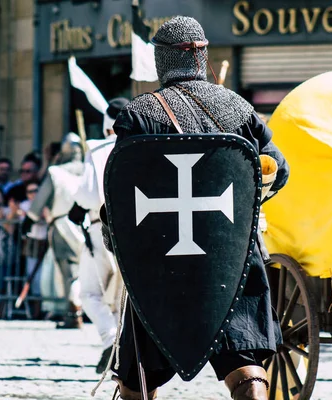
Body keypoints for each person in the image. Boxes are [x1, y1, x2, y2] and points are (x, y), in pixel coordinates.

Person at [106, 16, 289, 400]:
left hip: (161, 261)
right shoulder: (238, 109)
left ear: (162, 59)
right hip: (229, 258)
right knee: (245, 361)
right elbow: (278, 170)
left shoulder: (141, 114)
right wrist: (243, 207)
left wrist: (115, 234)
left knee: (138, 375)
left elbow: (121, 188)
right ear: (201, 54)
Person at [66, 98, 129, 373]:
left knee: (89, 292)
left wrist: (76, 207)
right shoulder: (140, 146)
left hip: (100, 227)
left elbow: (89, 194)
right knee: (118, 299)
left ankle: (109, 340)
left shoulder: (99, 148)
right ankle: (119, 346)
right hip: (133, 233)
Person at [26, 133, 85, 328]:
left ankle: (73, 313)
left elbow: (40, 200)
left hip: (64, 226)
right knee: (83, 271)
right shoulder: (90, 170)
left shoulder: (56, 173)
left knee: (70, 271)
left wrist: (30, 220)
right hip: (88, 227)